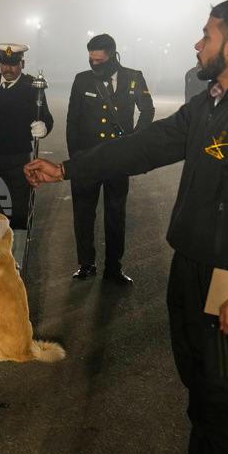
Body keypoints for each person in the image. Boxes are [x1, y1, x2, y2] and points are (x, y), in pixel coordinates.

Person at [26, 0, 228, 454]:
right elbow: (147, 145)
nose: (197, 44)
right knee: (198, 384)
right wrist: (67, 168)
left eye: (206, 35)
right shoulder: (208, 103)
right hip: (190, 263)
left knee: (223, 392)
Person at [65, 33, 154, 283]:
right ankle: (85, 264)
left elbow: (147, 109)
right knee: (83, 214)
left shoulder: (133, 78)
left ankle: (113, 267)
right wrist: (76, 157)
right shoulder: (82, 80)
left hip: (118, 159)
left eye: (100, 62)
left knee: (116, 215)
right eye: (91, 60)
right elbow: (73, 120)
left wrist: (134, 142)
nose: (94, 66)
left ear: (114, 57)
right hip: (87, 159)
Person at [0, 43, 53, 263]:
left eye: (13, 64)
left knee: (19, 208)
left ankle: (17, 256)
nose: (8, 69)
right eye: (4, 64)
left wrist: (43, 127)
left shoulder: (31, 86)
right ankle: (0, 251)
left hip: (19, 157)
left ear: (22, 64)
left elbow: (46, 117)